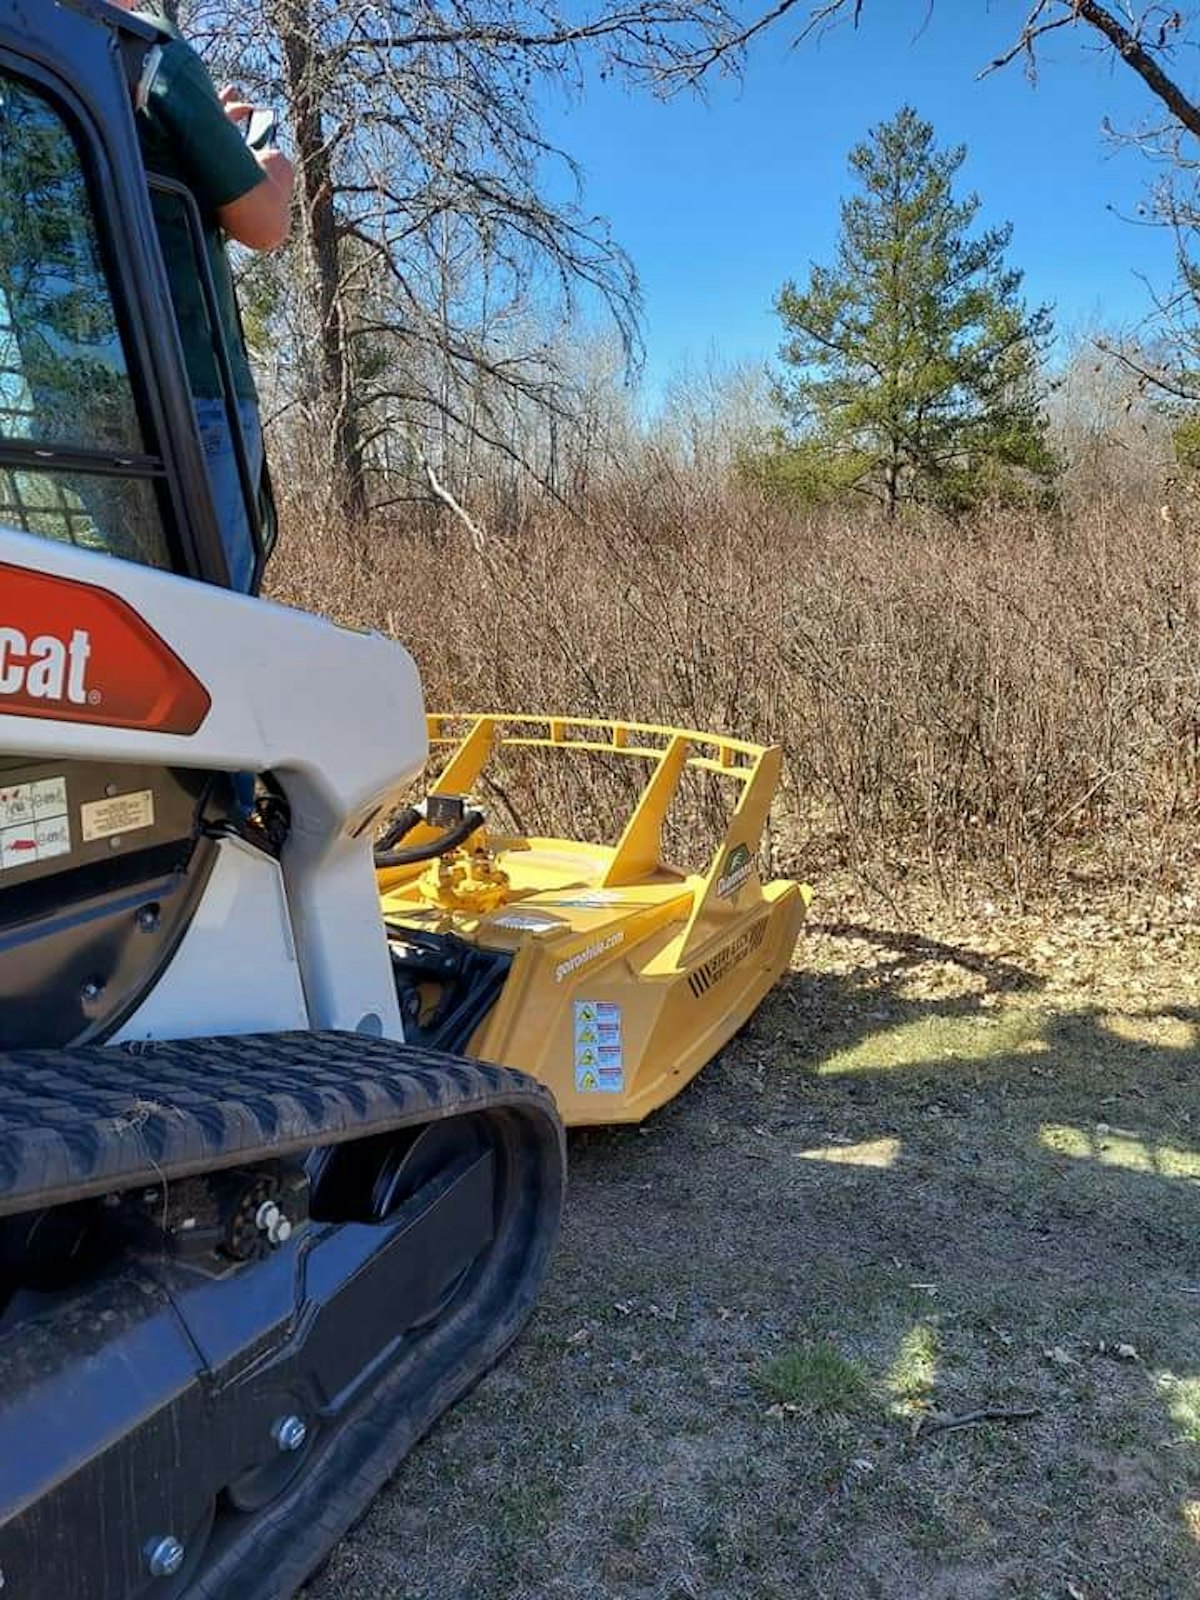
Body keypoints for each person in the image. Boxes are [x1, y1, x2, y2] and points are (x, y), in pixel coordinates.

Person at [112, 2, 294, 590]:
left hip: (81, 400)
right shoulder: (151, 56)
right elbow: (265, 225)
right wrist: (271, 166)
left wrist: (202, 132)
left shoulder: (41, 49)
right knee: (208, 618)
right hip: (190, 396)